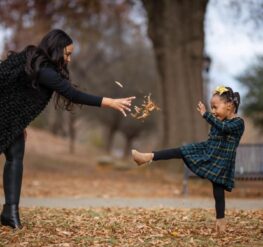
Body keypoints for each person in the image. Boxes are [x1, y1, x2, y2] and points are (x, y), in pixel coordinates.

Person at [0, 29, 135, 229]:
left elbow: (17, 95)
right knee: (15, 157)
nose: (69, 60)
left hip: (9, 119)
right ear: (56, 50)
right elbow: (73, 94)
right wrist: (111, 102)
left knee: (15, 156)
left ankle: (10, 213)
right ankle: (10, 213)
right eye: (67, 54)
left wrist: (19, 122)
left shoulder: (31, 59)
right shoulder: (45, 71)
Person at [132, 86, 245, 233]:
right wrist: (208, 123)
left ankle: (221, 223)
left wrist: (206, 115)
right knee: (181, 151)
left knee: (218, 191)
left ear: (229, 106)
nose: (213, 111)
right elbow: (215, 133)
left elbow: (224, 128)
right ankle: (147, 157)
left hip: (221, 161)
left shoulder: (238, 123)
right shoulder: (218, 120)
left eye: (215, 107)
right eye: (211, 108)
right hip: (208, 150)